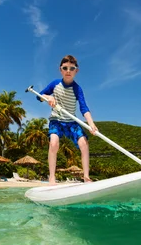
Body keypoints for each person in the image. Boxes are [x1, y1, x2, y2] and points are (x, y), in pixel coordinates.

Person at [38, 55, 98, 184]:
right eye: (65, 68)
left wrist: (92, 124)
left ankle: (86, 177)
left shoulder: (77, 89)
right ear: (61, 70)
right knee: (54, 143)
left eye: (72, 68)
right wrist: (48, 97)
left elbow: (84, 108)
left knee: (84, 143)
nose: (68, 71)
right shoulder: (55, 84)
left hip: (71, 122)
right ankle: (52, 177)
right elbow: (39, 96)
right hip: (56, 120)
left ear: (76, 71)